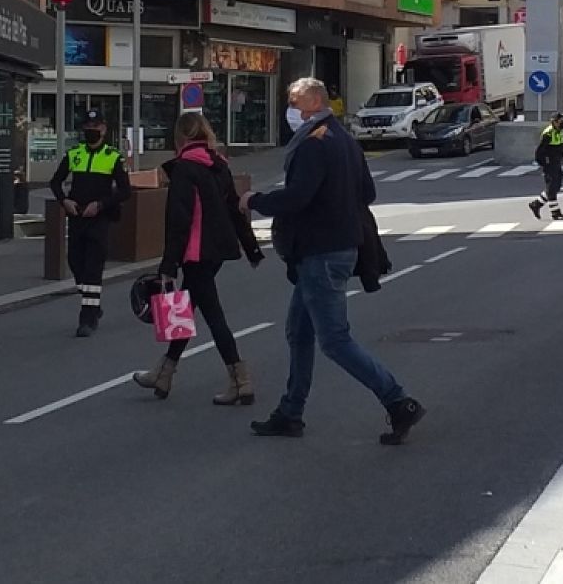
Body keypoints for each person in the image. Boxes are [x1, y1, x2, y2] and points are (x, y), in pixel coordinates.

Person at [240, 78, 425, 445]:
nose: (289, 109)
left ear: (313, 101)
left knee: (334, 340)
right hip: (337, 248)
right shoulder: (344, 139)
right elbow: (367, 192)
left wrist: (254, 200)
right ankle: (290, 412)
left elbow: (298, 198)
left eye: (294, 101)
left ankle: (397, 400)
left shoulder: (314, 143)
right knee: (299, 331)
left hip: (320, 253)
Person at [133, 112, 265, 402]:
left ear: (180, 138)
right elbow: (235, 209)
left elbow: (179, 220)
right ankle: (164, 372)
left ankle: (240, 379)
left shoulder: (184, 169)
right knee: (186, 308)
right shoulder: (219, 165)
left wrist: (168, 265)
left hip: (195, 252)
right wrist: (251, 247)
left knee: (213, 315)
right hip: (217, 250)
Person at [49, 108, 131, 337]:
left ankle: (87, 320)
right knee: (75, 262)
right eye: (87, 128)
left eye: (95, 128)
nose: (91, 132)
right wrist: (64, 201)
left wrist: (102, 204)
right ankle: (93, 305)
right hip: (77, 218)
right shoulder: (75, 154)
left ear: (104, 130)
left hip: (100, 219)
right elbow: (55, 182)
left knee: (93, 269)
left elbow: (125, 191)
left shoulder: (113, 156)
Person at [529, 113, 563, 221]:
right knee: (551, 188)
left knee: (556, 186)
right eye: (560, 121)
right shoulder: (548, 133)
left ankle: (536, 204)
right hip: (550, 163)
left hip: (557, 162)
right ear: (554, 122)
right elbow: (539, 151)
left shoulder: (560, 132)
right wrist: (544, 164)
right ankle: (555, 213)